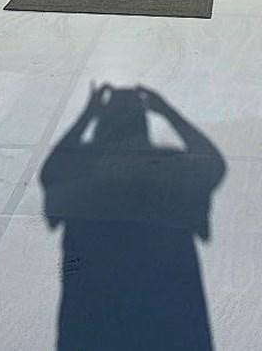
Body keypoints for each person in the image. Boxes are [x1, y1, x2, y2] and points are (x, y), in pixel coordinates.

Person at [40, 84, 226, 350]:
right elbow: (214, 164)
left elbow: (51, 171)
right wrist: (167, 112)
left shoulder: (83, 172)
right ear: (143, 124)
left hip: (96, 312)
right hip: (166, 313)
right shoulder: (171, 167)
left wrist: (87, 114)